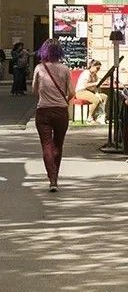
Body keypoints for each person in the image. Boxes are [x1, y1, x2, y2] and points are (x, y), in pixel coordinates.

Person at [32, 39, 71, 192]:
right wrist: (62, 100)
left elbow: (35, 91)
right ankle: (56, 175)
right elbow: (72, 92)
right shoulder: (65, 69)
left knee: (46, 145)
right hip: (61, 111)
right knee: (58, 144)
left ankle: (52, 178)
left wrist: (45, 96)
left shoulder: (39, 68)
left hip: (43, 111)